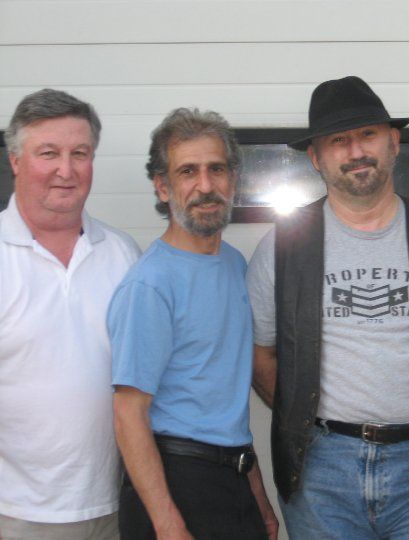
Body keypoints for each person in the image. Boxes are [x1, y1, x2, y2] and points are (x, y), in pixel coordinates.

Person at [247, 75, 409, 539]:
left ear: (394, 142)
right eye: (338, 141)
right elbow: (261, 356)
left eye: (367, 134)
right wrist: (306, 423)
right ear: (316, 157)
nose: (355, 151)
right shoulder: (283, 245)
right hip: (321, 473)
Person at [108, 108, 277, 540]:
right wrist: (167, 524)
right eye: (188, 172)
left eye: (216, 169)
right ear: (163, 186)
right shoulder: (150, 283)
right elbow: (128, 413)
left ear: (233, 180)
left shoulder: (235, 266)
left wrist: (259, 500)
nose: (205, 186)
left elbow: (226, 407)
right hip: (173, 484)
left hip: (233, 480)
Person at [0, 89, 141, 539]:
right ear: (15, 160)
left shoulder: (122, 253)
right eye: (48, 153)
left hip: (113, 505)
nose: (66, 169)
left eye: (79, 153)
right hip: (14, 513)